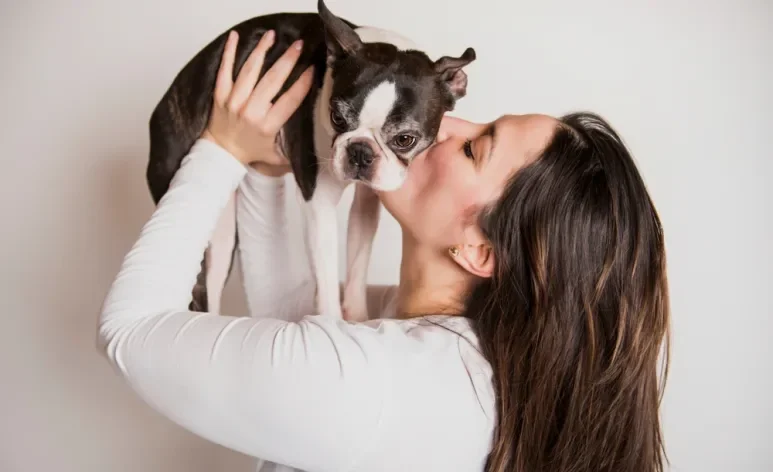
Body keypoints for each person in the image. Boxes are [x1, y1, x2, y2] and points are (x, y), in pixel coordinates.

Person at [98, 29, 671, 472]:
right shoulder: (457, 360)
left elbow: (129, 333)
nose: (447, 124)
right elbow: (292, 309)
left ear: (481, 252)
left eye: (476, 148)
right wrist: (268, 160)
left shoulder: (373, 382)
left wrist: (219, 150)